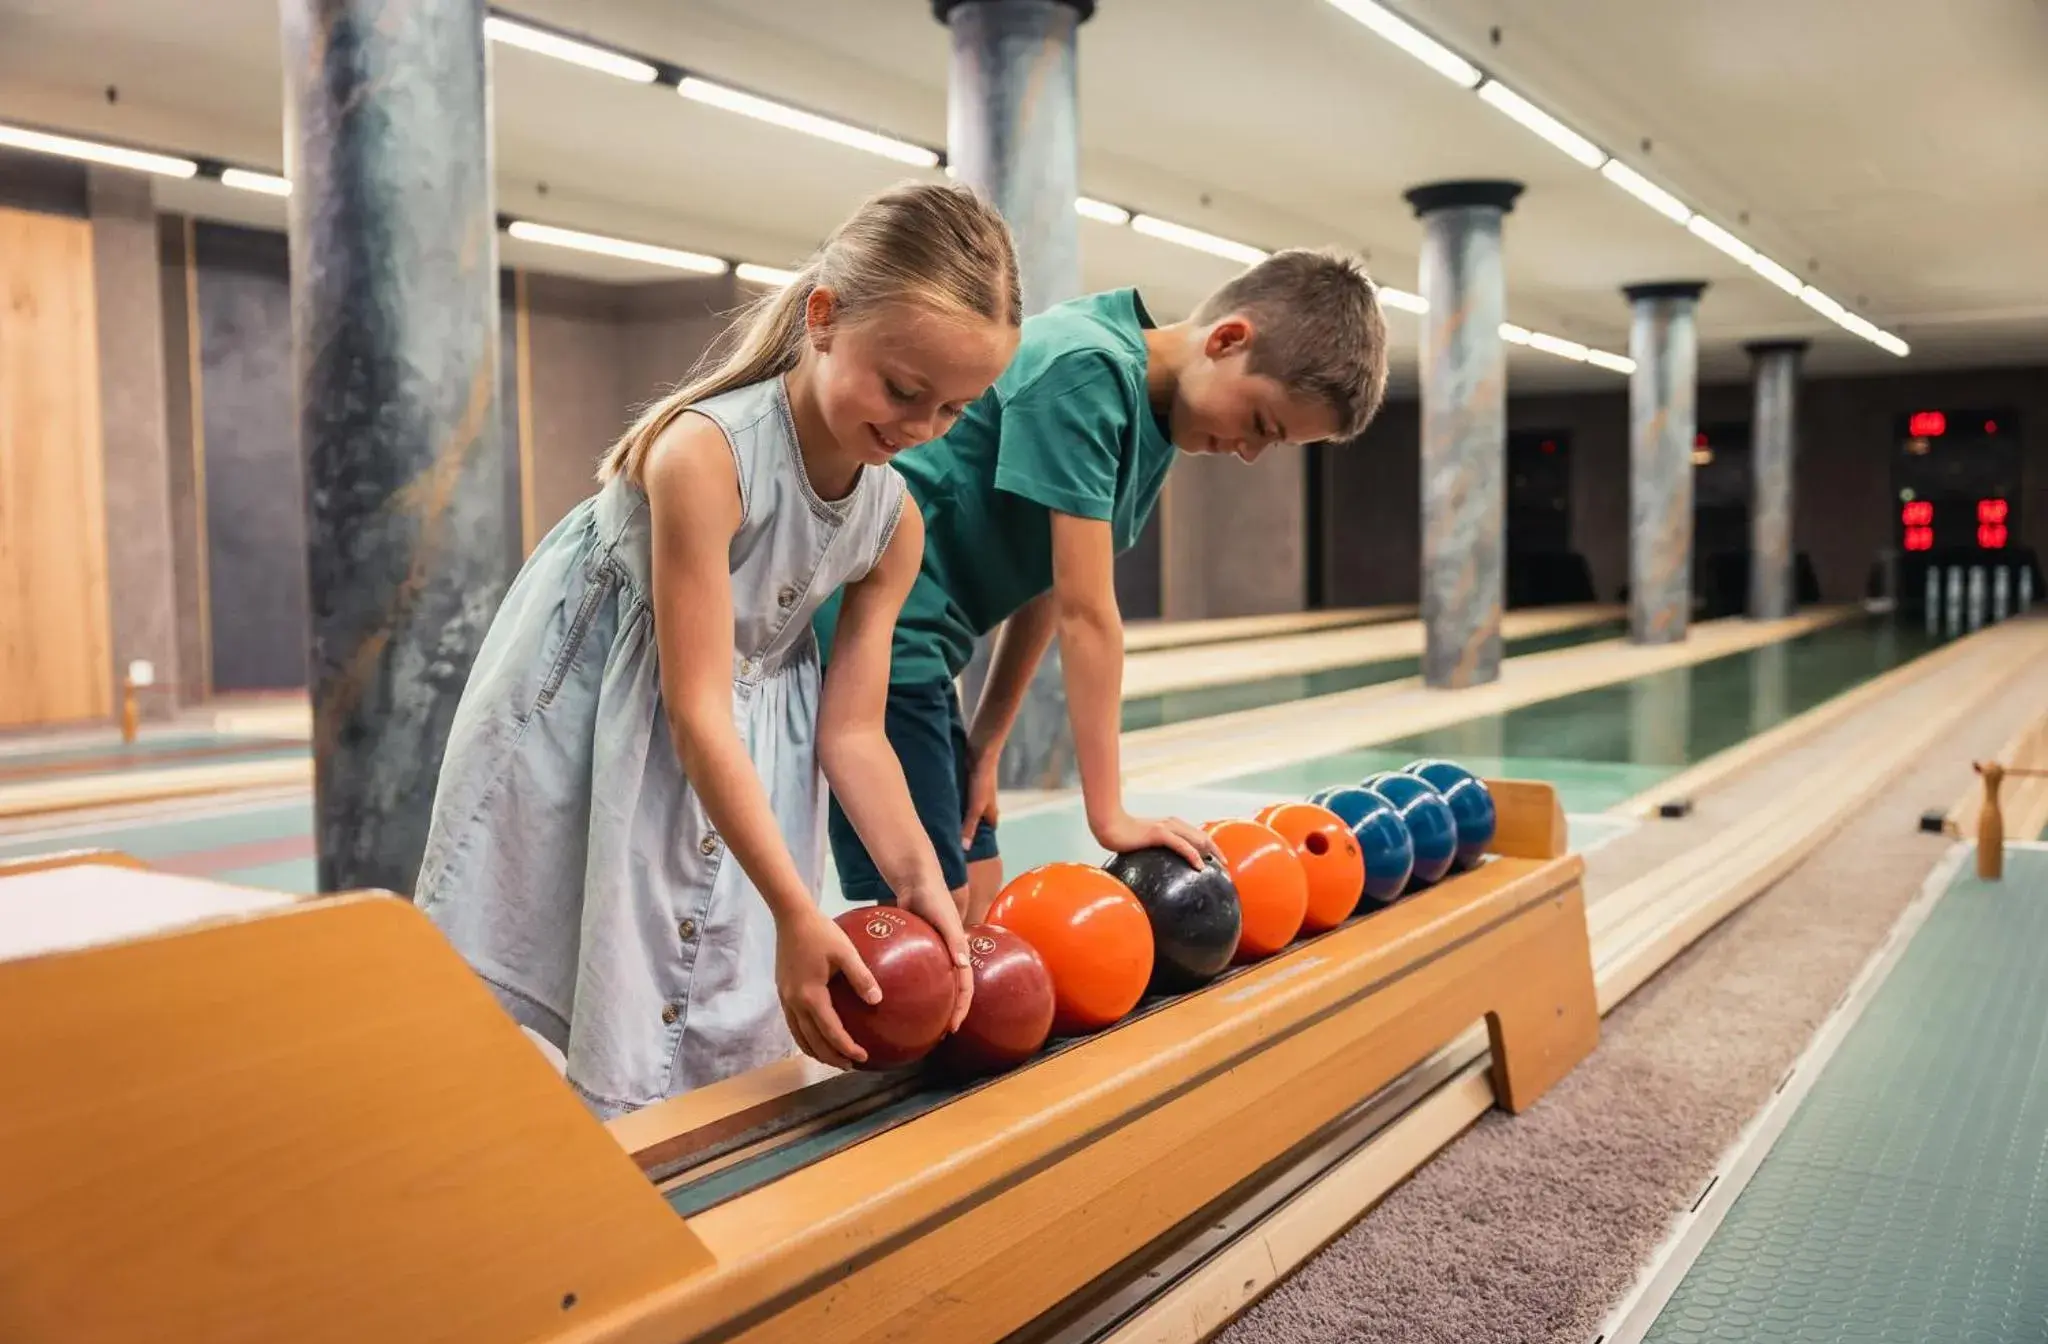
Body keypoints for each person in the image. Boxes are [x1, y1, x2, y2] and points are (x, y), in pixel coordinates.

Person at [416, 182, 1022, 1118]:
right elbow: (695, 707)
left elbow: (854, 734)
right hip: (605, 713)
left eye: (953, 410)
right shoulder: (702, 456)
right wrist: (794, 909)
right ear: (823, 319)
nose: (918, 428)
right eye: (903, 389)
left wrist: (921, 878)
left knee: (711, 998)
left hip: (745, 729)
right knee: (583, 982)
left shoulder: (892, 519)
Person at [819, 249, 1390, 923]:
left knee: (978, 880)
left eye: (1276, 444)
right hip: (877, 629)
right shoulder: (1088, 369)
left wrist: (987, 745)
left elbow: (1048, 590)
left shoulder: (1152, 421)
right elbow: (1090, 614)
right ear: (1228, 339)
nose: (1249, 451)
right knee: (935, 908)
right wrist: (1109, 814)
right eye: (1262, 423)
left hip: (926, 648)